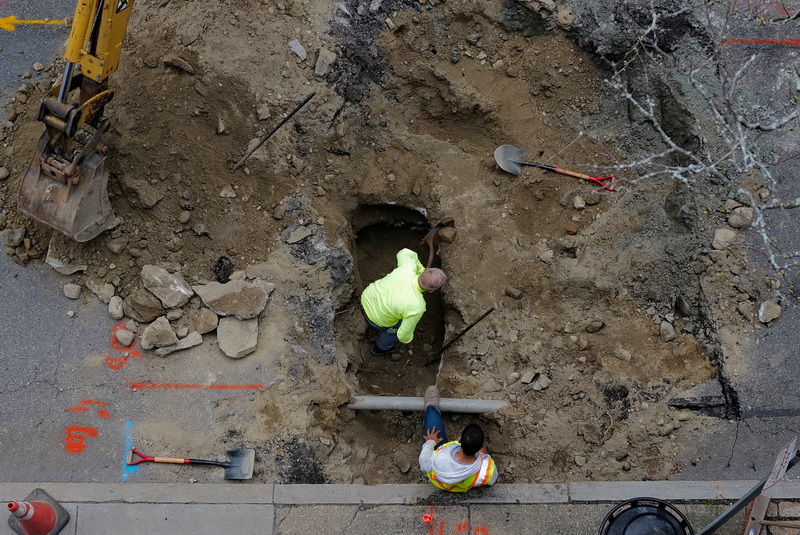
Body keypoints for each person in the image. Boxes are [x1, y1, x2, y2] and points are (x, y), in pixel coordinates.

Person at [360, 248, 447, 356]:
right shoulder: (417, 306)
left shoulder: (408, 267)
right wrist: (408, 339)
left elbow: (405, 252)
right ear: (431, 290)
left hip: (365, 298)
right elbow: (402, 335)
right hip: (377, 320)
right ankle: (379, 348)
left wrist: (419, 268)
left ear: (425, 271)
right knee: (395, 331)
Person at [418, 386, 498, 492]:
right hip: (459, 488)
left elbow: (423, 462)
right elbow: (492, 479)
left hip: (438, 482)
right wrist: (485, 456)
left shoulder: (436, 459)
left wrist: (431, 442)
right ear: (480, 448)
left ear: (459, 440)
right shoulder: (486, 469)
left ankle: (431, 407)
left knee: (432, 428)